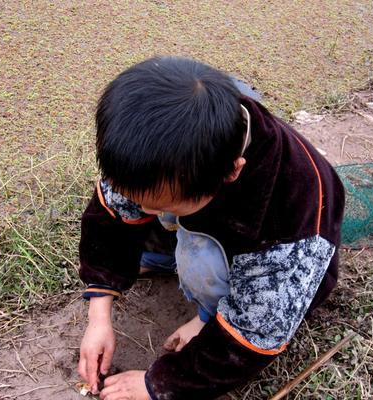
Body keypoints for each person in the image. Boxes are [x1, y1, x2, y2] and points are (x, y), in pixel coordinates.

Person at [77, 56, 345, 400]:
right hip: (203, 210)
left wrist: (158, 383)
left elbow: (252, 339)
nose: (142, 210)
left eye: (159, 205)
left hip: (265, 256)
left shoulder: (291, 228)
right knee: (127, 221)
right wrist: (98, 314)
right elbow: (111, 215)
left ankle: (209, 301)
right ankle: (168, 241)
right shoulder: (169, 149)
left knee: (206, 265)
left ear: (231, 172)